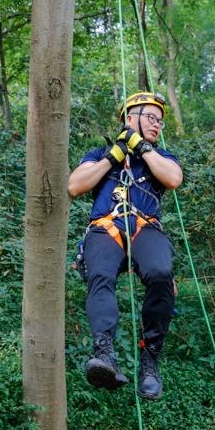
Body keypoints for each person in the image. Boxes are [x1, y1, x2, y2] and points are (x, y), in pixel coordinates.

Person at [67, 92, 183, 401]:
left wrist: (143, 147)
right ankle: (104, 354)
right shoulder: (98, 153)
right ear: (130, 119)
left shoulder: (160, 157)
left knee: (160, 273)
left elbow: (173, 179)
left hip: (145, 227)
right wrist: (113, 156)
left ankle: (150, 359)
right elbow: (76, 186)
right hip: (107, 226)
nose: (157, 125)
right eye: (151, 118)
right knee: (100, 274)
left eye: (160, 121)